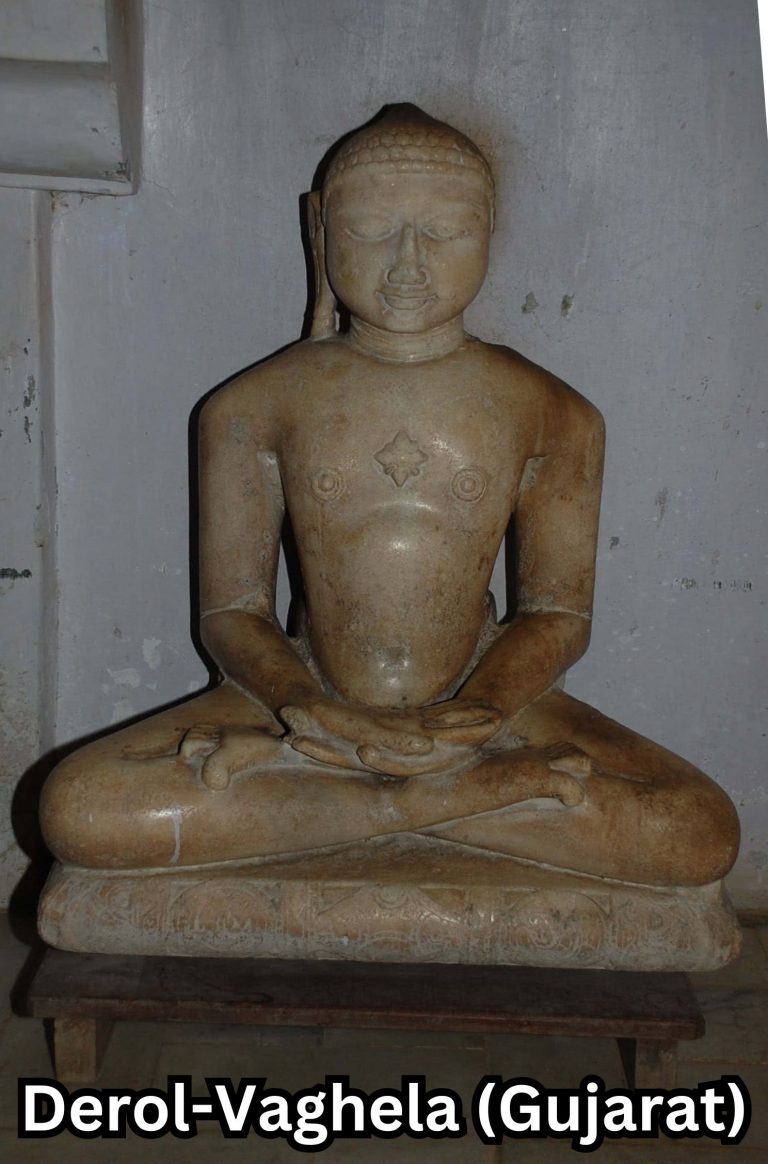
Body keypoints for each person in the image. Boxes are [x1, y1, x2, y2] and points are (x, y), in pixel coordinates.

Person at [40, 106, 738, 889]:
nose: (409, 265)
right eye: (370, 231)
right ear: (320, 232)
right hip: (301, 698)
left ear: (491, 230)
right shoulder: (252, 406)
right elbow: (232, 612)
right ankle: (465, 799)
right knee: (79, 809)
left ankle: (341, 801)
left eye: (446, 233)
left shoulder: (553, 412)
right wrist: (308, 708)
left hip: (487, 704)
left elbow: (558, 615)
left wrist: (482, 711)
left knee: (697, 830)